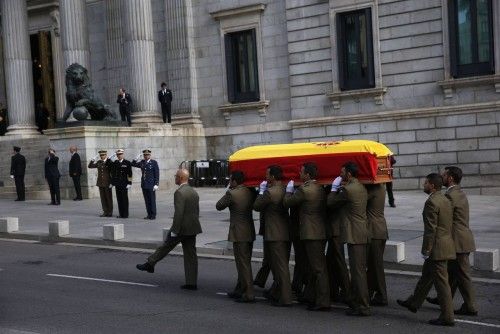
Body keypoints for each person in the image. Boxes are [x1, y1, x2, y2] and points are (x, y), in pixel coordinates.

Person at [397, 173, 456, 327]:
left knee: (442, 285)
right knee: (426, 276)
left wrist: (426, 250)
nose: (424, 185)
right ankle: (414, 302)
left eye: (425, 183)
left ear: (432, 185)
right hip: (446, 244)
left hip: (437, 249)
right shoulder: (445, 199)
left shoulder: (431, 202)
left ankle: (447, 317)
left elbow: (431, 230)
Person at [136, 169, 202, 290]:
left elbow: (178, 214)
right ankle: (191, 282)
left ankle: (150, 263)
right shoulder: (193, 191)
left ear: (181, 178)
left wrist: (174, 230)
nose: (175, 178)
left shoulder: (179, 192)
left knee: (166, 246)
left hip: (181, 228)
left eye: (176, 176)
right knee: (191, 255)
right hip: (192, 227)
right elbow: (196, 211)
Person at [426, 166, 477, 316]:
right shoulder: (459, 192)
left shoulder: (448, 196)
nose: (441, 176)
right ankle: (443, 298)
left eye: (444, 174)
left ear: (450, 178)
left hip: (457, 240)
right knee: (453, 272)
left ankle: (471, 306)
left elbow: (444, 220)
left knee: (462, 274)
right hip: (464, 237)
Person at [283, 162, 330, 311]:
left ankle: (323, 302)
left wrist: (289, 190)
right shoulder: (320, 188)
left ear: (308, 175)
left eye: (302, 172)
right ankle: (312, 296)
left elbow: (287, 202)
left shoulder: (305, 190)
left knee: (318, 268)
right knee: (315, 267)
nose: (299, 174)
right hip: (319, 231)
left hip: (311, 233)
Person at [327, 162, 370, 316]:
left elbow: (331, 202)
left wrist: (333, 188)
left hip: (355, 234)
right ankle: (358, 302)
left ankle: (363, 306)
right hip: (361, 232)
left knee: (358, 272)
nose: (340, 174)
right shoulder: (360, 186)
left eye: (342, 172)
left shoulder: (348, 189)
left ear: (349, 174)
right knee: (359, 271)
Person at [253, 165, 292, 307]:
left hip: (275, 234)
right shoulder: (285, 189)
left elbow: (256, 206)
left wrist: (261, 192)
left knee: (280, 267)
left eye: (267, 174)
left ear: (273, 177)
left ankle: (285, 298)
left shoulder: (270, 193)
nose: (265, 177)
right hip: (284, 232)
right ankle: (276, 292)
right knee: (278, 266)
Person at [216, 171, 256, 303]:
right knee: (245, 262)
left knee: (242, 264)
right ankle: (240, 289)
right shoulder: (250, 192)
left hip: (239, 233)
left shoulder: (232, 193)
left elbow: (219, 206)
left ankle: (248, 293)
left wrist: (228, 190)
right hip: (249, 231)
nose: (229, 182)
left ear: (234, 181)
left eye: (230, 180)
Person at [365, 183, 388, 306]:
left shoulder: (372, 189)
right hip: (380, 229)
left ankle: (381, 295)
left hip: (374, 232)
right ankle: (370, 292)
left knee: (375, 266)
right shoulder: (380, 187)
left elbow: (359, 199)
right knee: (373, 265)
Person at [131, 149, 160, 220]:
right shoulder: (142, 162)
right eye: (145, 155)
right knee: (147, 200)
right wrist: (136, 158)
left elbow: (156, 173)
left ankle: (153, 215)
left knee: (152, 200)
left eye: (147, 155)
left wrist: (156, 184)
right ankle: (149, 214)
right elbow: (133, 164)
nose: (146, 156)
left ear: (150, 155)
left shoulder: (153, 163)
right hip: (144, 184)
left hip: (151, 185)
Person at [88, 150, 114, 217]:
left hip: (107, 183)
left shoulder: (109, 162)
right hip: (100, 183)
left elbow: (112, 173)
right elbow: (90, 166)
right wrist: (92, 160)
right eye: (101, 155)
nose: (102, 156)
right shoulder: (99, 162)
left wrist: (112, 182)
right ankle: (105, 211)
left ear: (106, 155)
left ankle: (110, 212)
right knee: (103, 198)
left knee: (108, 198)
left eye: (103, 155)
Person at [111, 149, 132, 218]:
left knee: (124, 199)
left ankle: (125, 214)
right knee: (119, 199)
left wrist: (129, 183)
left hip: (124, 184)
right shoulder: (115, 163)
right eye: (118, 155)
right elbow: (113, 174)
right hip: (117, 184)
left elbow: (130, 174)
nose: (119, 156)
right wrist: (113, 183)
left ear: (123, 155)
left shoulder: (127, 162)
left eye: (120, 154)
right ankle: (121, 214)